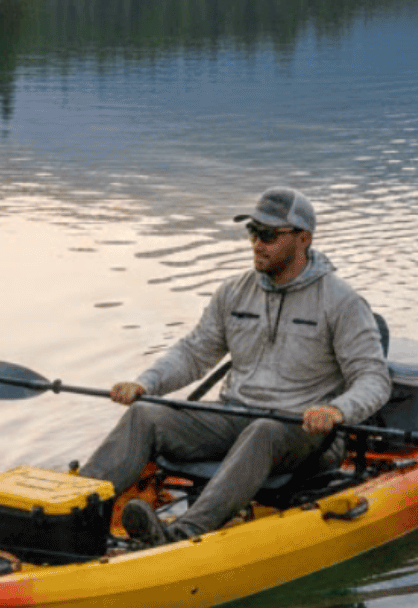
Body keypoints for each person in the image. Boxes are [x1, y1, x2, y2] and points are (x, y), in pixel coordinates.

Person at [79, 187, 392, 547]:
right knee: (146, 414)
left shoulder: (342, 302)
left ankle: (181, 534)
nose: (257, 243)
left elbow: (373, 379)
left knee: (264, 431)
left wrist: (337, 410)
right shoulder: (234, 292)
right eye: (253, 232)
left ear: (303, 239)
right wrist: (146, 384)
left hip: (306, 434)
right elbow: (194, 353)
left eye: (269, 235)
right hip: (235, 417)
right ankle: (71, 512)